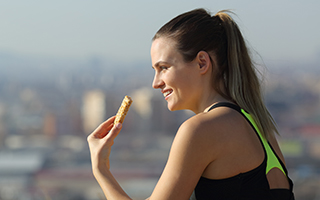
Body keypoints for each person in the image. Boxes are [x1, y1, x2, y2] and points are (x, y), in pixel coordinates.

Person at [87, 8, 295, 200]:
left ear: (202, 63)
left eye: (164, 67)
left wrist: (101, 170)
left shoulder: (200, 130)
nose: (155, 83)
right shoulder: (259, 125)